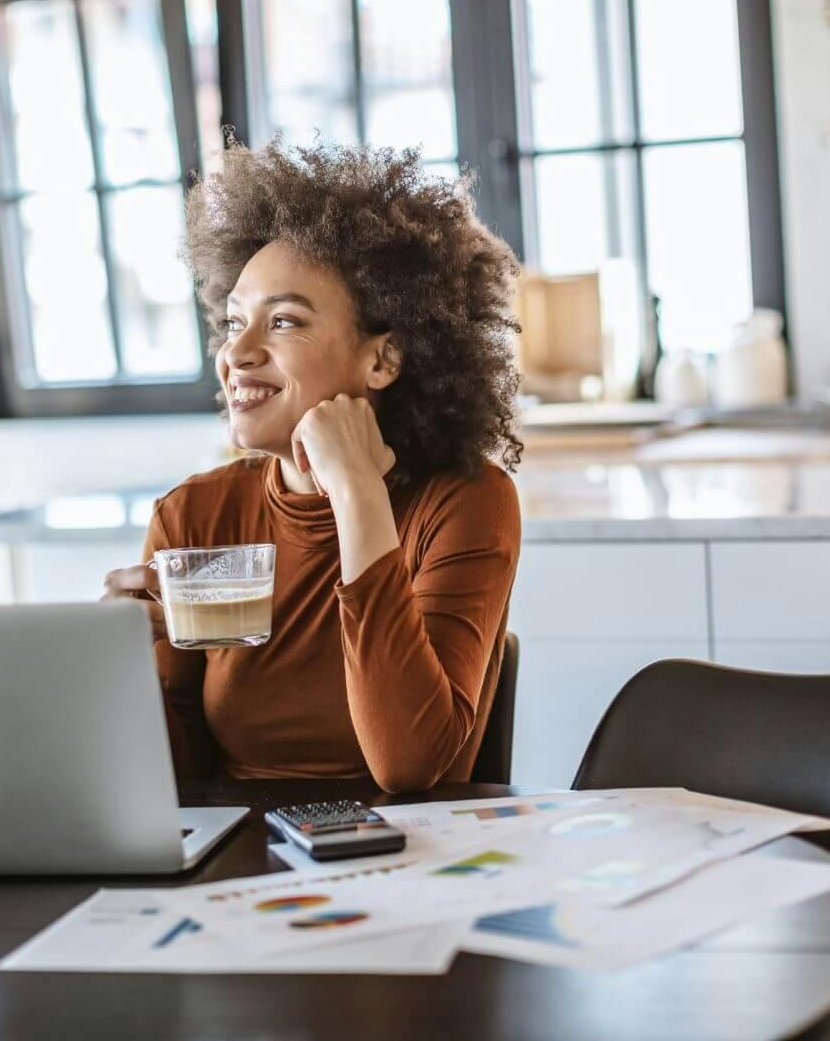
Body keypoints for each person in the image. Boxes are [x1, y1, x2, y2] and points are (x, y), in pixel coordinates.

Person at [103, 139, 523, 793]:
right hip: (244, 864)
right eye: (234, 322)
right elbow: (176, 785)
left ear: (382, 361)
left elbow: (411, 766)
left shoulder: (464, 502)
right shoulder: (193, 517)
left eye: (284, 323)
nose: (236, 353)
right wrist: (118, 670)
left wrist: (358, 493)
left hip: (415, 860)